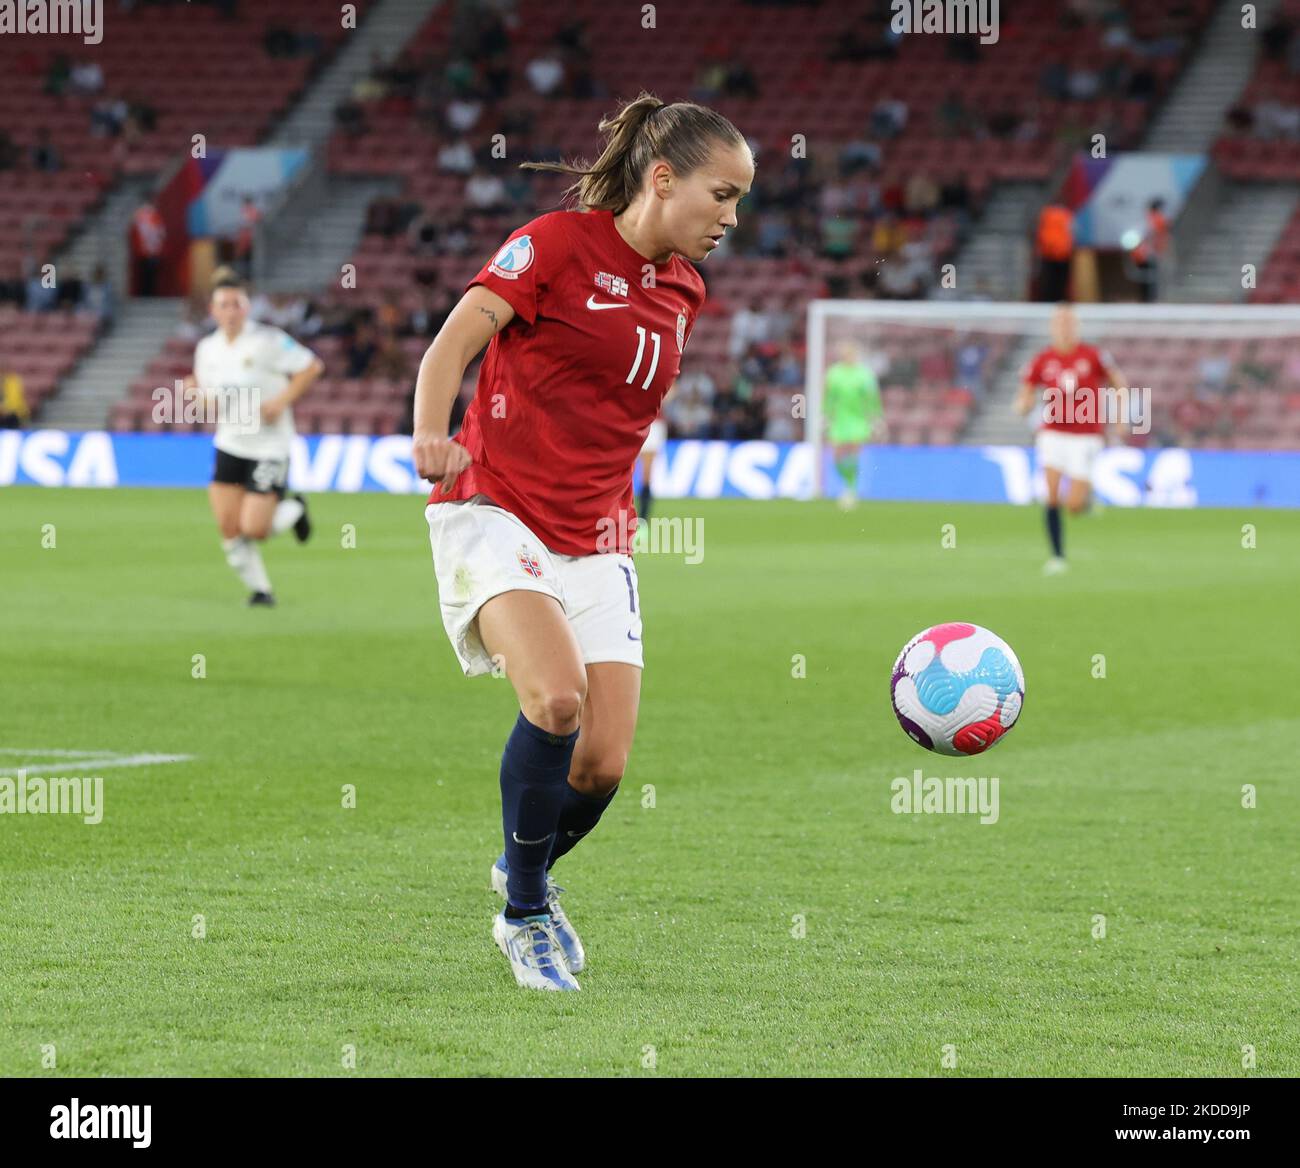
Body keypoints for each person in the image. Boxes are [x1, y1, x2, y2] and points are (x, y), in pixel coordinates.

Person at [412, 93, 753, 991]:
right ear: (663, 178)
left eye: (739, 201)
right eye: (721, 195)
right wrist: (428, 431)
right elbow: (451, 343)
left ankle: (520, 872)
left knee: (601, 765)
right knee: (555, 702)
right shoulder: (556, 246)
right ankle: (525, 914)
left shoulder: (685, 290)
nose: (731, 217)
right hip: (495, 504)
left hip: (600, 533)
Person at [188, 268, 324, 606]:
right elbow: (210, 400)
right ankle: (262, 591)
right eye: (224, 304)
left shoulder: (268, 339)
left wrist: (281, 401)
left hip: (269, 446)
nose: (230, 311)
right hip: (230, 443)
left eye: (236, 304)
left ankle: (293, 508)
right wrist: (193, 394)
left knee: (255, 528)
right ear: (213, 310)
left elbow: (311, 367)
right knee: (229, 528)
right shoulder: (207, 349)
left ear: (246, 307)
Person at [1014, 304, 1128, 574]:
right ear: (1053, 328)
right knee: (1051, 495)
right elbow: (1027, 392)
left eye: (1068, 322)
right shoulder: (1042, 359)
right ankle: (1057, 556)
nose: (1064, 327)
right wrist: (1023, 404)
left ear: (1076, 327)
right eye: (1059, 323)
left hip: (1086, 436)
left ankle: (1084, 501)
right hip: (1052, 433)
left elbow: (1118, 383)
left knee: (1073, 505)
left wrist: (1121, 419)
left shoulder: (1093, 355)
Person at [824, 341, 883, 509]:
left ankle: (850, 490)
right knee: (836, 456)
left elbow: (872, 398)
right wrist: (825, 415)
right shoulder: (833, 373)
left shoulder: (864, 374)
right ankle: (848, 484)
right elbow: (829, 397)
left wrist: (876, 418)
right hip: (840, 420)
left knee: (853, 453)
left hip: (858, 419)